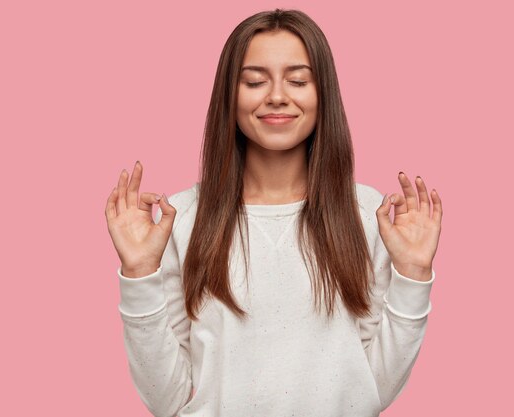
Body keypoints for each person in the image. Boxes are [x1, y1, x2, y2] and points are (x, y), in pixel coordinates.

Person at [105, 8, 442, 417]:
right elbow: (166, 398)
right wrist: (140, 272)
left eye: (298, 80)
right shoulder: (184, 219)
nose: (277, 95)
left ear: (324, 94)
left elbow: (371, 389)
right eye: (254, 81)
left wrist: (413, 274)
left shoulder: (371, 216)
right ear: (229, 94)